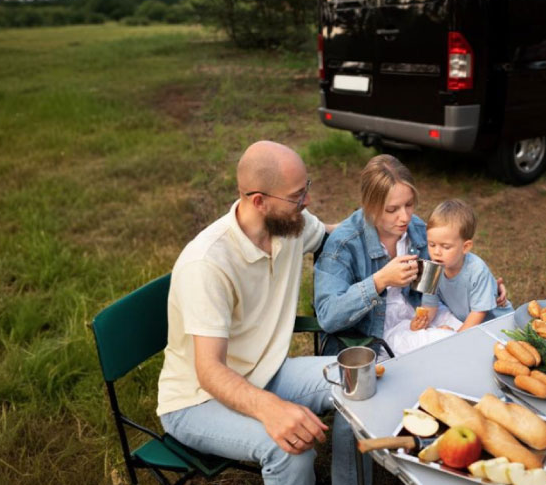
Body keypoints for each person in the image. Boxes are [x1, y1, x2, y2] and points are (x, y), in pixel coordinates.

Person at [156, 141, 368, 485]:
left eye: (306, 189)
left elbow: (337, 235)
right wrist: (270, 408)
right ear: (259, 201)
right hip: (197, 401)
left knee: (358, 379)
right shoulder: (207, 264)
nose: (308, 202)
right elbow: (209, 371)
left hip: (266, 372)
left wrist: (404, 238)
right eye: (298, 195)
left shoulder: (289, 225)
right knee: (290, 450)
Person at [314, 154, 508, 356]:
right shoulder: (343, 245)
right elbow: (328, 317)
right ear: (369, 207)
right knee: (456, 349)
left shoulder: (416, 230)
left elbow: (452, 259)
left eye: (409, 204)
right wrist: (379, 281)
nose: (405, 217)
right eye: (392, 209)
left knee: (481, 341)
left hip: (423, 312)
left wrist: (484, 284)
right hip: (377, 332)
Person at [383, 199, 513, 356]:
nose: (437, 252)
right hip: (466, 324)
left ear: (465, 247)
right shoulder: (431, 268)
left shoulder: (477, 270)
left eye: (445, 247)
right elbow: (429, 306)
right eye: (431, 245)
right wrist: (422, 321)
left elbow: (478, 314)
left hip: (497, 326)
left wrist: (456, 337)